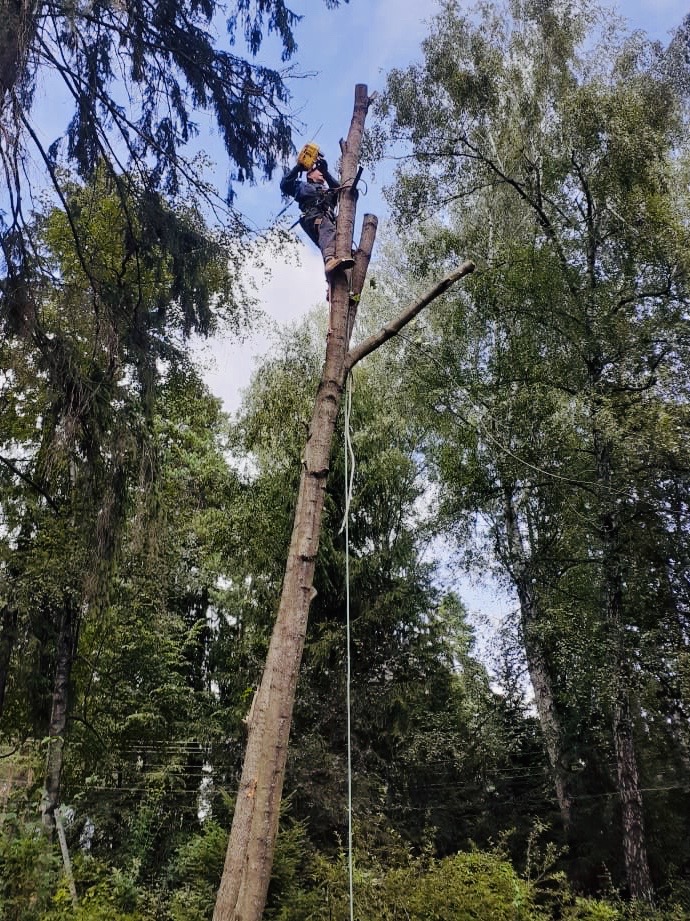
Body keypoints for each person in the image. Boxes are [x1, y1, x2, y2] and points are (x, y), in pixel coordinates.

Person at [280, 154, 355, 274]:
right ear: (309, 174)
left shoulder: (329, 191)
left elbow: (340, 191)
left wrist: (326, 172)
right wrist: (299, 167)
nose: (320, 173)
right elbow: (285, 184)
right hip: (314, 218)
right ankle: (330, 260)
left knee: (337, 235)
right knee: (326, 227)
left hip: (328, 223)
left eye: (321, 171)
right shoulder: (302, 186)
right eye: (317, 170)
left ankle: (341, 261)